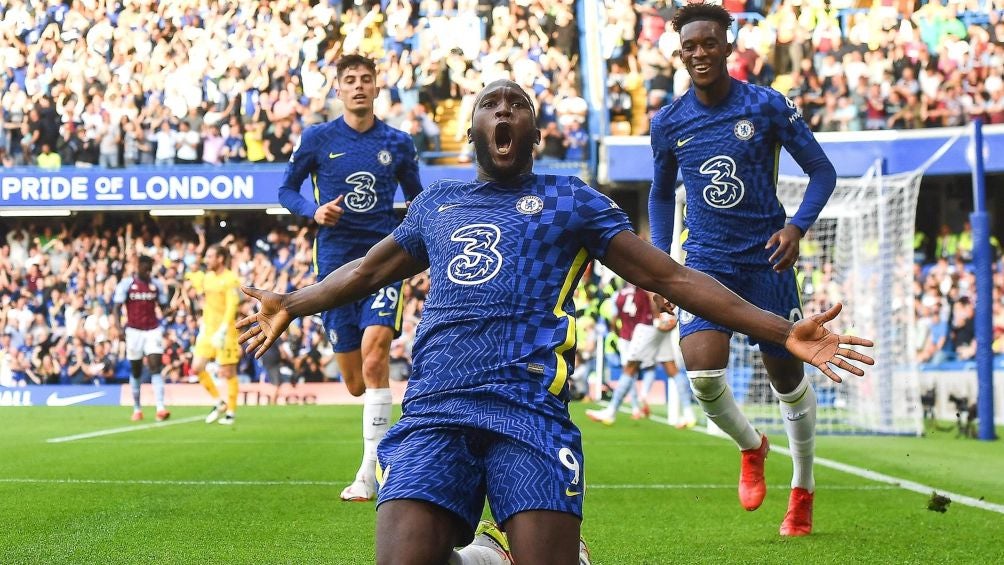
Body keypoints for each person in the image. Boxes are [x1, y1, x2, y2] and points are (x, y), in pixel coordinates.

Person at [238, 79, 873, 564]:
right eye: (492, 104)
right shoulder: (437, 203)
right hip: (435, 411)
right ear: (473, 130)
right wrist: (292, 303)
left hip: (529, 416)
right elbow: (367, 271)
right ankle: (483, 556)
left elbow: (670, 278)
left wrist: (777, 329)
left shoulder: (572, 199)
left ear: (536, 133)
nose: (505, 110)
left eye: (517, 104)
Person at [647, 4, 840, 537]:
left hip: (766, 260)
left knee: (787, 376)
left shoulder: (768, 105)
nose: (700, 53)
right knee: (704, 375)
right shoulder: (668, 122)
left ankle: (801, 490)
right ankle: (752, 446)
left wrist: (797, 227)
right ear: (680, 53)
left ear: (728, 46)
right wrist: (662, 258)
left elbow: (822, 171)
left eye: (709, 43)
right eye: (690, 46)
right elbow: (661, 196)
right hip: (706, 260)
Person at [278, 54, 423, 502]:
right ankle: (376, 444)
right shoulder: (318, 138)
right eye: (350, 80)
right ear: (337, 89)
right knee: (356, 381)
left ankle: (369, 473)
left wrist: (423, 253)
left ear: (378, 87)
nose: (358, 86)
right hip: (334, 270)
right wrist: (313, 211)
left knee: (376, 358)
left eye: (366, 79)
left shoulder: (397, 143)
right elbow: (286, 190)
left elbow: (418, 201)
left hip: (383, 263)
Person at [113, 255, 171, 421]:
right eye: (146, 268)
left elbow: (163, 307)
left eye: (150, 268)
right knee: (136, 369)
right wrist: (118, 328)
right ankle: (137, 408)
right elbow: (116, 308)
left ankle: (160, 407)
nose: (148, 271)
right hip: (133, 331)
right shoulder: (126, 284)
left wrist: (169, 311)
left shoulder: (156, 285)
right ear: (138, 266)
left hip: (152, 329)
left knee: (155, 365)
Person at [189, 244, 242, 425]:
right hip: (207, 330)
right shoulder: (207, 278)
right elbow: (201, 293)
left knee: (228, 372)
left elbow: (232, 305)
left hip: (225, 332)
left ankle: (231, 412)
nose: (207, 260)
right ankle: (219, 402)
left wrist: (223, 329)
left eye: (210, 256)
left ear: (220, 259)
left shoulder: (231, 279)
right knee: (196, 367)